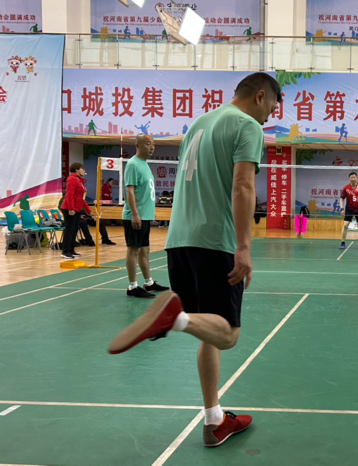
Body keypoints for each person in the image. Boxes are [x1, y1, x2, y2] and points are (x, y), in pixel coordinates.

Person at [107, 72, 281, 449]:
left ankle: (214, 420)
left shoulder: (198, 124)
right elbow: (242, 185)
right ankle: (175, 319)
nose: (270, 115)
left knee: (210, 332)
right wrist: (244, 247)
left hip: (178, 243)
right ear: (260, 96)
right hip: (214, 241)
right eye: (272, 106)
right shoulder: (247, 126)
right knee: (228, 333)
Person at [123, 134, 169, 298]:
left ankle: (148, 283)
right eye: (148, 144)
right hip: (136, 216)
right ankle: (132, 286)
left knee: (145, 250)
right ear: (138, 145)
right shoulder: (133, 164)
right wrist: (135, 214)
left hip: (145, 216)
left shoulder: (144, 164)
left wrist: (150, 214)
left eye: (153, 144)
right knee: (133, 250)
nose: (152, 147)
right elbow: (129, 191)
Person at [60, 163, 90, 259]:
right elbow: (70, 195)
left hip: (77, 208)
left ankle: (71, 250)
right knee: (69, 229)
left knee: (74, 229)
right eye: (82, 169)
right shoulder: (72, 179)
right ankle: (65, 251)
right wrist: (71, 208)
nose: (84, 171)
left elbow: (82, 198)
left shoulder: (79, 181)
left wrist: (89, 211)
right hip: (69, 208)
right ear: (77, 170)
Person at [339, 172, 358, 250]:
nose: (353, 179)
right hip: (349, 209)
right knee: (345, 225)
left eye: (354, 177)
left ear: (357, 178)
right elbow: (342, 198)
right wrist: (342, 208)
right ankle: (342, 242)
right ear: (349, 179)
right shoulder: (346, 188)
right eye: (351, 177)